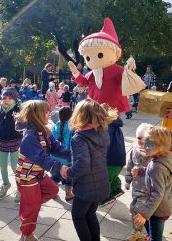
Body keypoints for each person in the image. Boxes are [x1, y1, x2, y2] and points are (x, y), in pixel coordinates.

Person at [14, 100, 71, 241]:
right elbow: (42, 157)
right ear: (37, 115)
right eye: (46, 111)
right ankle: (26, 234)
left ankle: (30, 204)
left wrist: (73, 154)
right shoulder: (29, 137)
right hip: (27, 177)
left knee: (53, 190)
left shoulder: (44, 131)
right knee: (32, 207)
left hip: (37, 174)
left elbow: (56, 147)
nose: (49, 113)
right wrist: (59, 167)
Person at [59, 99, 114, 241]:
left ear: (80, 116)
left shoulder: (79, 138)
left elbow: (82, 163)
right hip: (100, 182)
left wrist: (67, 172)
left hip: (86, 187)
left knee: (78, 216)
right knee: (90, 214)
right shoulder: (101, 131)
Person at [133, 126, 172, 241]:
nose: (145, 146)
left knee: (155, 237)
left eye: (149, 144)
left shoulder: (156, 167)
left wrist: (145, 214)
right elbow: (161, 176)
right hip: (167, 203)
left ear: (161, 147)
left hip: (158, 210)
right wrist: (141, 170)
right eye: (145, 142)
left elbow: (157, 193)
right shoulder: (170, 156)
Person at [125, 123, 153, 241]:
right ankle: (147, 231)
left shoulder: (153, 153)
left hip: (147, 189)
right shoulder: (134, 150)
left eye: (144, 139)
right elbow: (130, 165)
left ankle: (136, 232)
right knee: (133, 208)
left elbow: (155, 171)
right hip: (136, 187)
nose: (141, 141)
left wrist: (142, 170)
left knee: (138, 210)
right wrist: (128, 180)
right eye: (139, 138)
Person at [0, 87, 22, 202]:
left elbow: (23, 125)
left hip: (15, 140)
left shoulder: (18, 109)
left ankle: (20, 188)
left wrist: (18, 118)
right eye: (4, 98)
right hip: (2, 140)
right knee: (2, 165)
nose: (6, 100)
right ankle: (6, 184)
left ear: (15, 99)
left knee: (15, 166)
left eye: (10, 98)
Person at [100, 103, 126, 206]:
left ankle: (105, 197)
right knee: (114, 176)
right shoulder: (114, 123)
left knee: (106, 179)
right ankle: (116, 190)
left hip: (111, 159)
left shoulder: (108, 128)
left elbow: (106, 144)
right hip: (119, 158)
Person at [50, 106, 74, 201]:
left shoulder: (56, 125)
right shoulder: (72, 126)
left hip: (55, 156)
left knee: (55, 176)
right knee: (68, 177)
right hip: (67, 157)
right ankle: (68, 194)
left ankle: (53, 192)